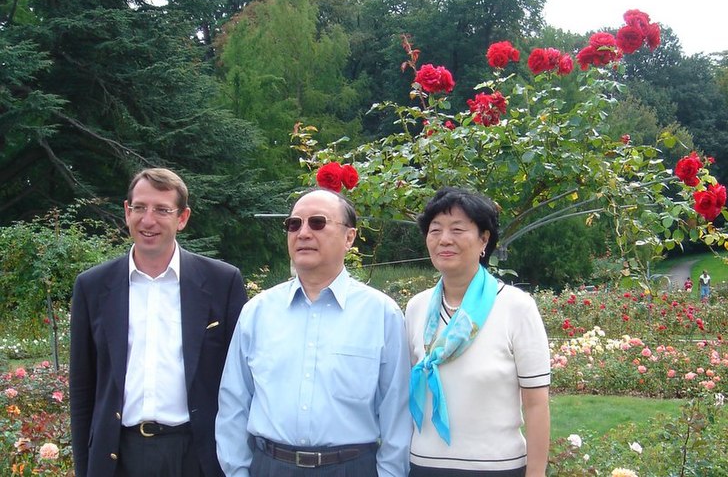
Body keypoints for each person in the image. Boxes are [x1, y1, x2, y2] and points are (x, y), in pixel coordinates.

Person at [216, 187, 411, 477]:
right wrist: (237, 471)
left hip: (351, 468)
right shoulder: (258, 312)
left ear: (349, 237)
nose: (303, 233)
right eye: (294, 224)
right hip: (270, 466)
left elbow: (397, 410)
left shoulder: (381, 314)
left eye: (317, 222)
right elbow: (234, 402)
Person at [70, 168, 247, 477]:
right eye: (139, 207)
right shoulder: (92, 287)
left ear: (182, 217)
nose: (147, 220)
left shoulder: (222, 282)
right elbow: (83, 389)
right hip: (118, 455)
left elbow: (242, 381)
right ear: (127, 212)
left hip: (197, 454)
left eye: (162, 210)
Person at [406, 187, 551, 477]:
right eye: (435, 230)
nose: (444, 239)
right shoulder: (416, 307)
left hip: (496, 466)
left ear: (484, 239)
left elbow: (536, 404)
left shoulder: (515, 306)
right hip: (423, 465)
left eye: (457, 229)